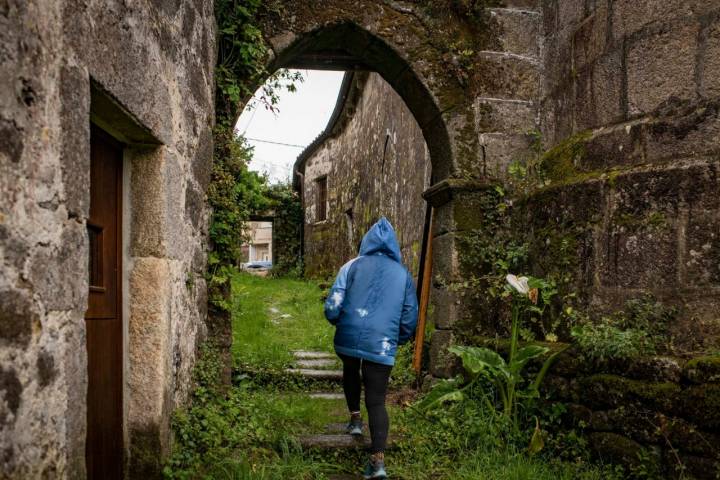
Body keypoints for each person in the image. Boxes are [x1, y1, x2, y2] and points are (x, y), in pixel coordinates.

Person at [324, 217, 419, 479]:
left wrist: (337, 321)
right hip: (381, 343)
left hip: (349, 336)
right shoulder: (403, 275)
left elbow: (333, 304)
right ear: (394, 246)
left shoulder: (351, 266)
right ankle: (377, 465)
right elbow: (410, 316)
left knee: (351, 371)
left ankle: (355, 421)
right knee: (377, 400)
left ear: (366, 241)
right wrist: (395, 339)